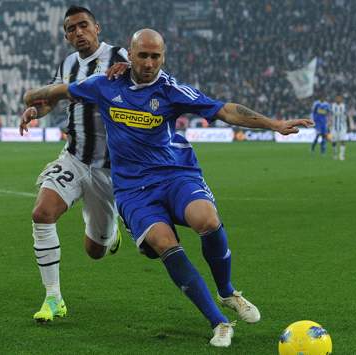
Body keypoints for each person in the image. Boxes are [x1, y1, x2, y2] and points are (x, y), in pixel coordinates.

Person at [21, 29, 313, 347]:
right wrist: (32, 101)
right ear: (129, 56)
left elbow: (225, 110)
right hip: (133, 190)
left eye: (155, 56)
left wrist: (274, 124)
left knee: (207, 219)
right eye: (143, 55)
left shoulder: (170, 90)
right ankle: (219, 322)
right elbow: (59, 92)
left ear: (164, 56)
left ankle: (228, 292)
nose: (149, 63)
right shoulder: (104, 86)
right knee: (164, 243)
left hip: (176, 175)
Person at [21, 6, 128, 323]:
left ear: (97, 27)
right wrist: (35, 112)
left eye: (83, 25)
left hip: (108, 169)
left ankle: (110, 236)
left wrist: (130, 71)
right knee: (42, 213)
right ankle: (53, 299)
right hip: (75, 156)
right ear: (66, 35)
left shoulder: (121, 56)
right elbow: (50, 99)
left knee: (95, 250)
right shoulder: (67, 64)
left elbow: (145, 80)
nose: (78, 32)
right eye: (71, 29)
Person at [330, 95, 348, 160]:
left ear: (341, 99)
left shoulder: (343, 106)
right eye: (337, 98)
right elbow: (331, 114)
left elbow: (345, 114)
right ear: (335, 99)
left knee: (342, 141)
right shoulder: (333, 106)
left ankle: (341, 155)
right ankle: (335, 154)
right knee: (333, 141)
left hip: (342, 127)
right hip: (334, 127)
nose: (338, 99)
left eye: (339, 98)